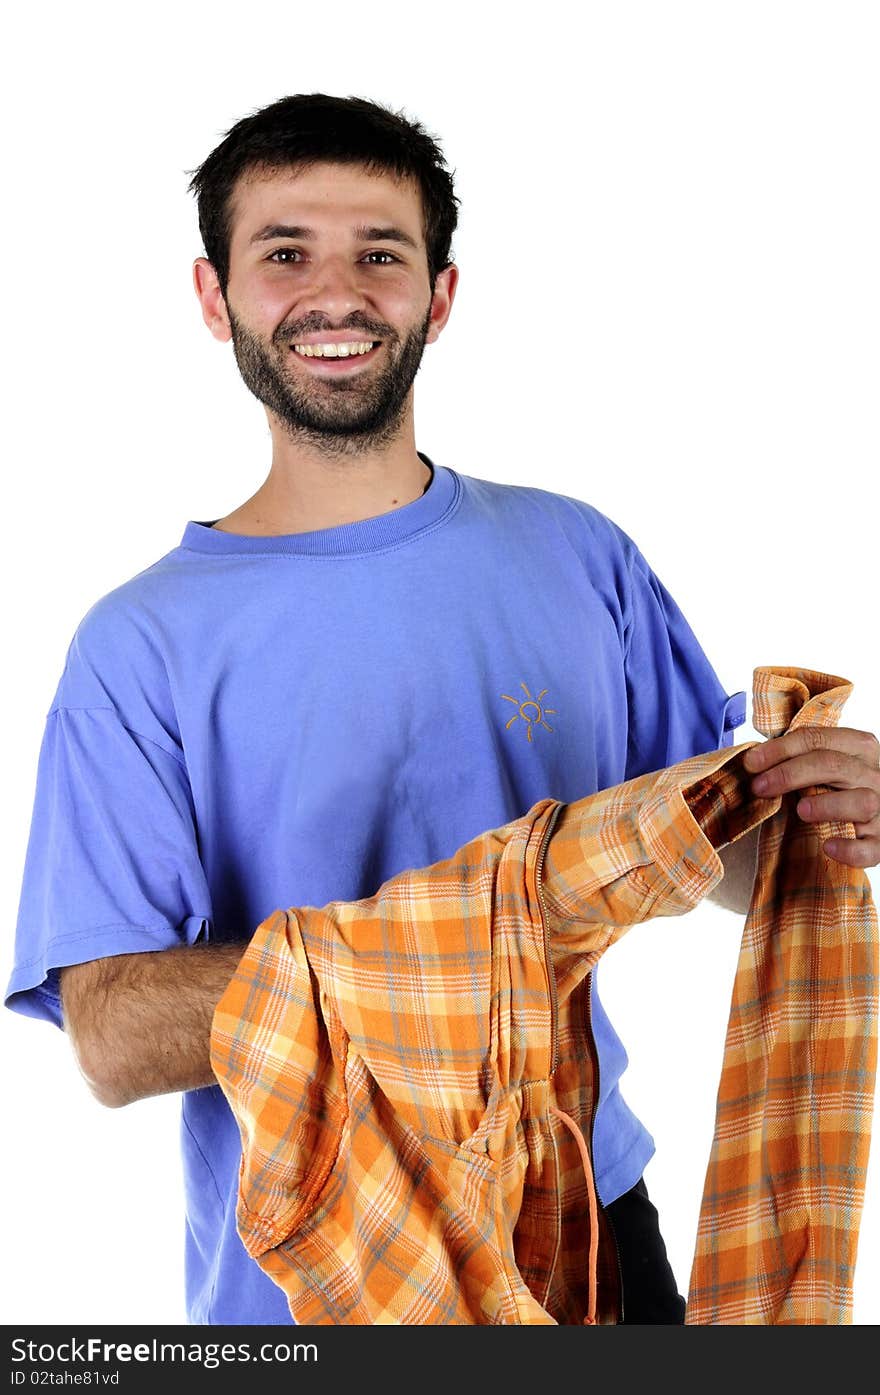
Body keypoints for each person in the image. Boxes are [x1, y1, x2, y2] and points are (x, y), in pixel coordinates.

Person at [5, 93, 879, 1327]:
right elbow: (108, 1039)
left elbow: (711, 859)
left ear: (439, 295)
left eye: (380, 253)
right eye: (284, 253)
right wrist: (435, 952)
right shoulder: (137, 647)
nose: (337, 293)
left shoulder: (575, 555)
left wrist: (813, 807)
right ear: (216, 299)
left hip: (586, 1220)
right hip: (308, 1277)